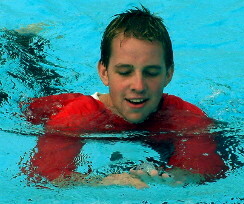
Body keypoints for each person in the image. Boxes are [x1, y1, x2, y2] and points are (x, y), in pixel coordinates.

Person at [22, 6, 228, 188]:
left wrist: (176, 178)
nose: (138, 86)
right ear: (104, 73)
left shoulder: (187, 118)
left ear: (168, 74)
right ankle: (22, 39)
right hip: (31, 104)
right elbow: (42, 177)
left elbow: (209, 171)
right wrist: (103, 182)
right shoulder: (75, 118)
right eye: (124, 71)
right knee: (34, 75)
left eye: (151, 72)